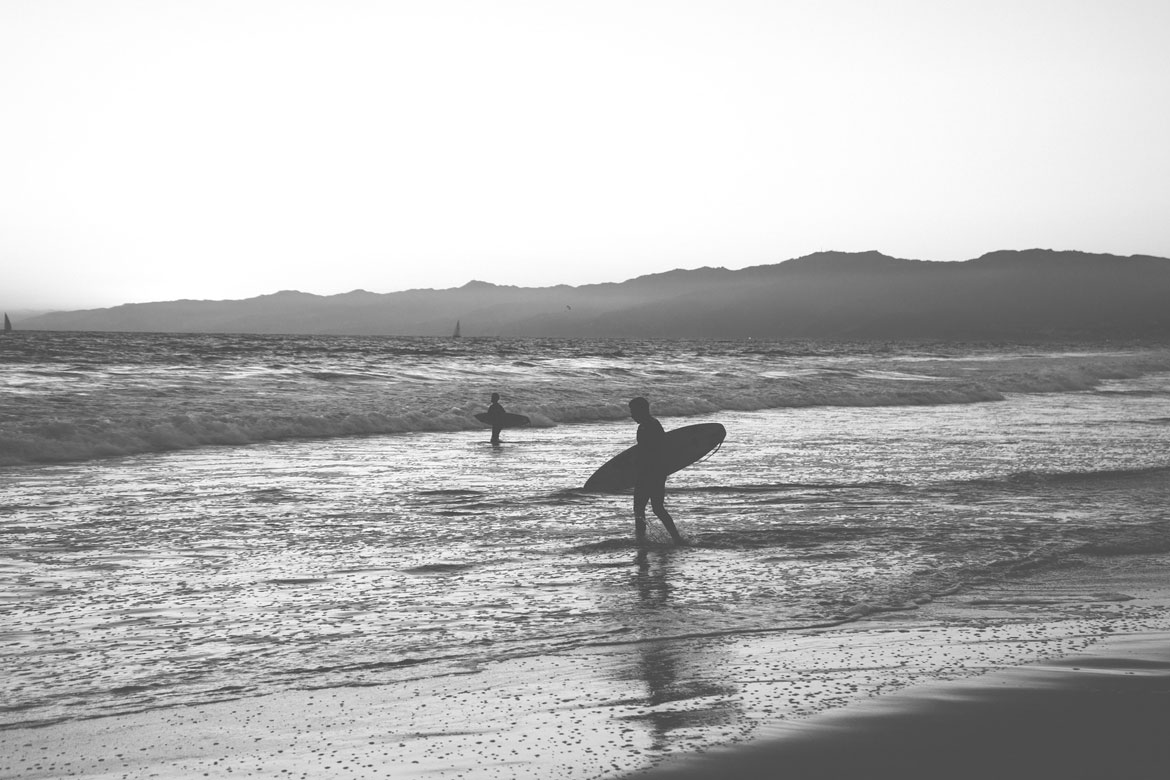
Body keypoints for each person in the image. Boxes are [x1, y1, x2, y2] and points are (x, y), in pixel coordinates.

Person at [628, 396, 685, 545]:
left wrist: (639, 468)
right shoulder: (650, 424)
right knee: (657, 508)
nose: (631, 415)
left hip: (649, 473)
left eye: (633, 411)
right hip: (657, 472)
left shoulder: (649, 426)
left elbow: (652, 451)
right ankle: (676, 538)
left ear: (642, 410)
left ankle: (641, 540)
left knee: (640, 510)